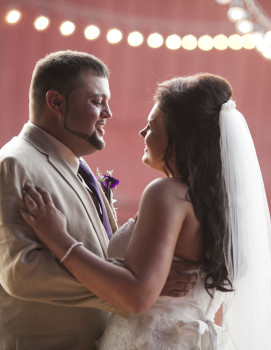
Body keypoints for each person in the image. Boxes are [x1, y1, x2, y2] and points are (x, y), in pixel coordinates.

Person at [20, 73, 271, 349]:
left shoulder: (167, 193)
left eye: (151, 125)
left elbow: (137, 295)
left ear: (180, 135)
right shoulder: (221, 207)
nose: (142, 133)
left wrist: (59, 238)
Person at [0, 50, 196, 350]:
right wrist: (131, 288)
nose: (108, 114)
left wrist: (140, 281)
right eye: (97, 102)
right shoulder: (15, 164)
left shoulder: (76, 165)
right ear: (56, 102)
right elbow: (21, 272)